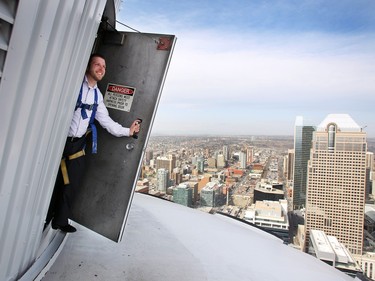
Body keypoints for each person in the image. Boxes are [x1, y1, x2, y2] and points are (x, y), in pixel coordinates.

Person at [49, 53, 140, 233]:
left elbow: (107, 123)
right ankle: (41, 216)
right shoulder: (74, 86)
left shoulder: (97, 97)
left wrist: (127, 131)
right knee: (49, 181)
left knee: (71, 185)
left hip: (76, 146)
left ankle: (60, 220)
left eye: (104, 66)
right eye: (97, 64)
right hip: (57, 141)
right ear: (88, 65)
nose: (101, 69)